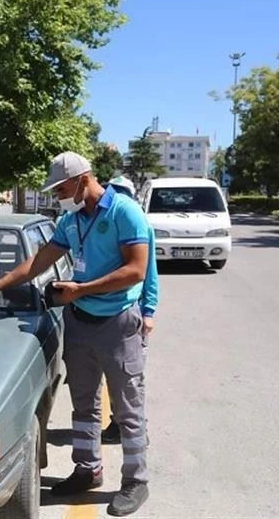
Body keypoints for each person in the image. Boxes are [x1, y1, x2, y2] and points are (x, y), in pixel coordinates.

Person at [0, 152, 152, 516]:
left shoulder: (124, 212)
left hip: (118, 322)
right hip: (80, 322)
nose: (58, 196)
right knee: (84, 405)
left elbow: (137, 270)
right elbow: (39, 260)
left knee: (128, 405)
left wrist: (81, 290)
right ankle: (87, 470)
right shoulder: (71, 220)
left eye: (62, 188)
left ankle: (136, 480)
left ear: (84, 180)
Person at [99, 175, 159, 445]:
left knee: (129, 379)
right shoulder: (103, 222)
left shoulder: (138, 223)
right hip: (103, 313)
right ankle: (116, 422)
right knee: (111, 378)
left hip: (129, 310)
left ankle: (136, 429)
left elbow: (148, 274)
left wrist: (149, 311)